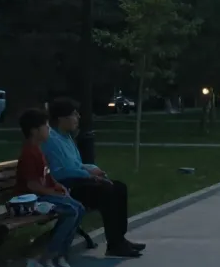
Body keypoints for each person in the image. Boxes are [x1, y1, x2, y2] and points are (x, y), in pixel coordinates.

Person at [42, 97, 145, 258]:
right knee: (107, 191)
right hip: (65, 188)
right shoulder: (51, 141)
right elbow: (60, 172)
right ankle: (115, 245)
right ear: (61, 118)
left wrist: (93, 169)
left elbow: (77, 164)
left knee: (119, 187)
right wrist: (89, 175)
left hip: (78, 182)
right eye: (74, 114)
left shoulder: (67, 137)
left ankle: (119, 239)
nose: (78, 117)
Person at [16, 108, 86, 267]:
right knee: (71, 210)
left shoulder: (38, 150)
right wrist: (53, 193)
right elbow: (32, 185)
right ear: (35, 131)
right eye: (46, 127)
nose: (49, 130)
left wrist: (58, 187)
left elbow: (47, 176)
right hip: (30, 201)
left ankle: (60, 254)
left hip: (43, 196)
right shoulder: (29, 153)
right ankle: (44, 258)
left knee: (79, 208)